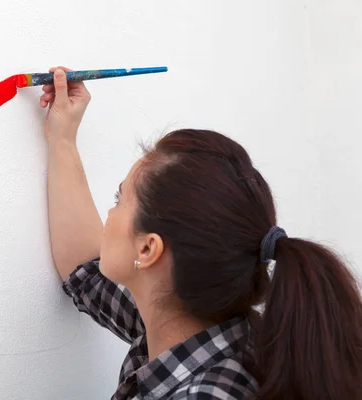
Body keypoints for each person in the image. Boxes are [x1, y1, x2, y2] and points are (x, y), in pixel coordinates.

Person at [39, 66, 362, 399]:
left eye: (120, 199)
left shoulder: (206, 392)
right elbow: (87, 274)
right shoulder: (195, 328)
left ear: (149, 250)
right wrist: (62, 139)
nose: (110, 212)